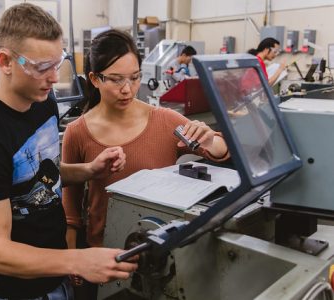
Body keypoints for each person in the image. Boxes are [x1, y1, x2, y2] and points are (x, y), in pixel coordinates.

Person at [0, 4, 137, 300]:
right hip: (11, 293)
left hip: (55, 280)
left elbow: (42, 170)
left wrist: (89, 170)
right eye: (42, 67)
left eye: (58, 63)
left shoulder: (43, 101)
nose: (54, 78)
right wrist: (79, 260)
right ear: (5, 61)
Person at [61, 29, 229, 299]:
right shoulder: (77, 132)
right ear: (94, 79)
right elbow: (71, 208)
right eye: (115, 80)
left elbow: (221, 151)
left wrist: (210, 139)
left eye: (135, 77)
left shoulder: (164, 120)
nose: (127, 89)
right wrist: (72, 259)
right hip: (102, 253)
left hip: (160, 252)